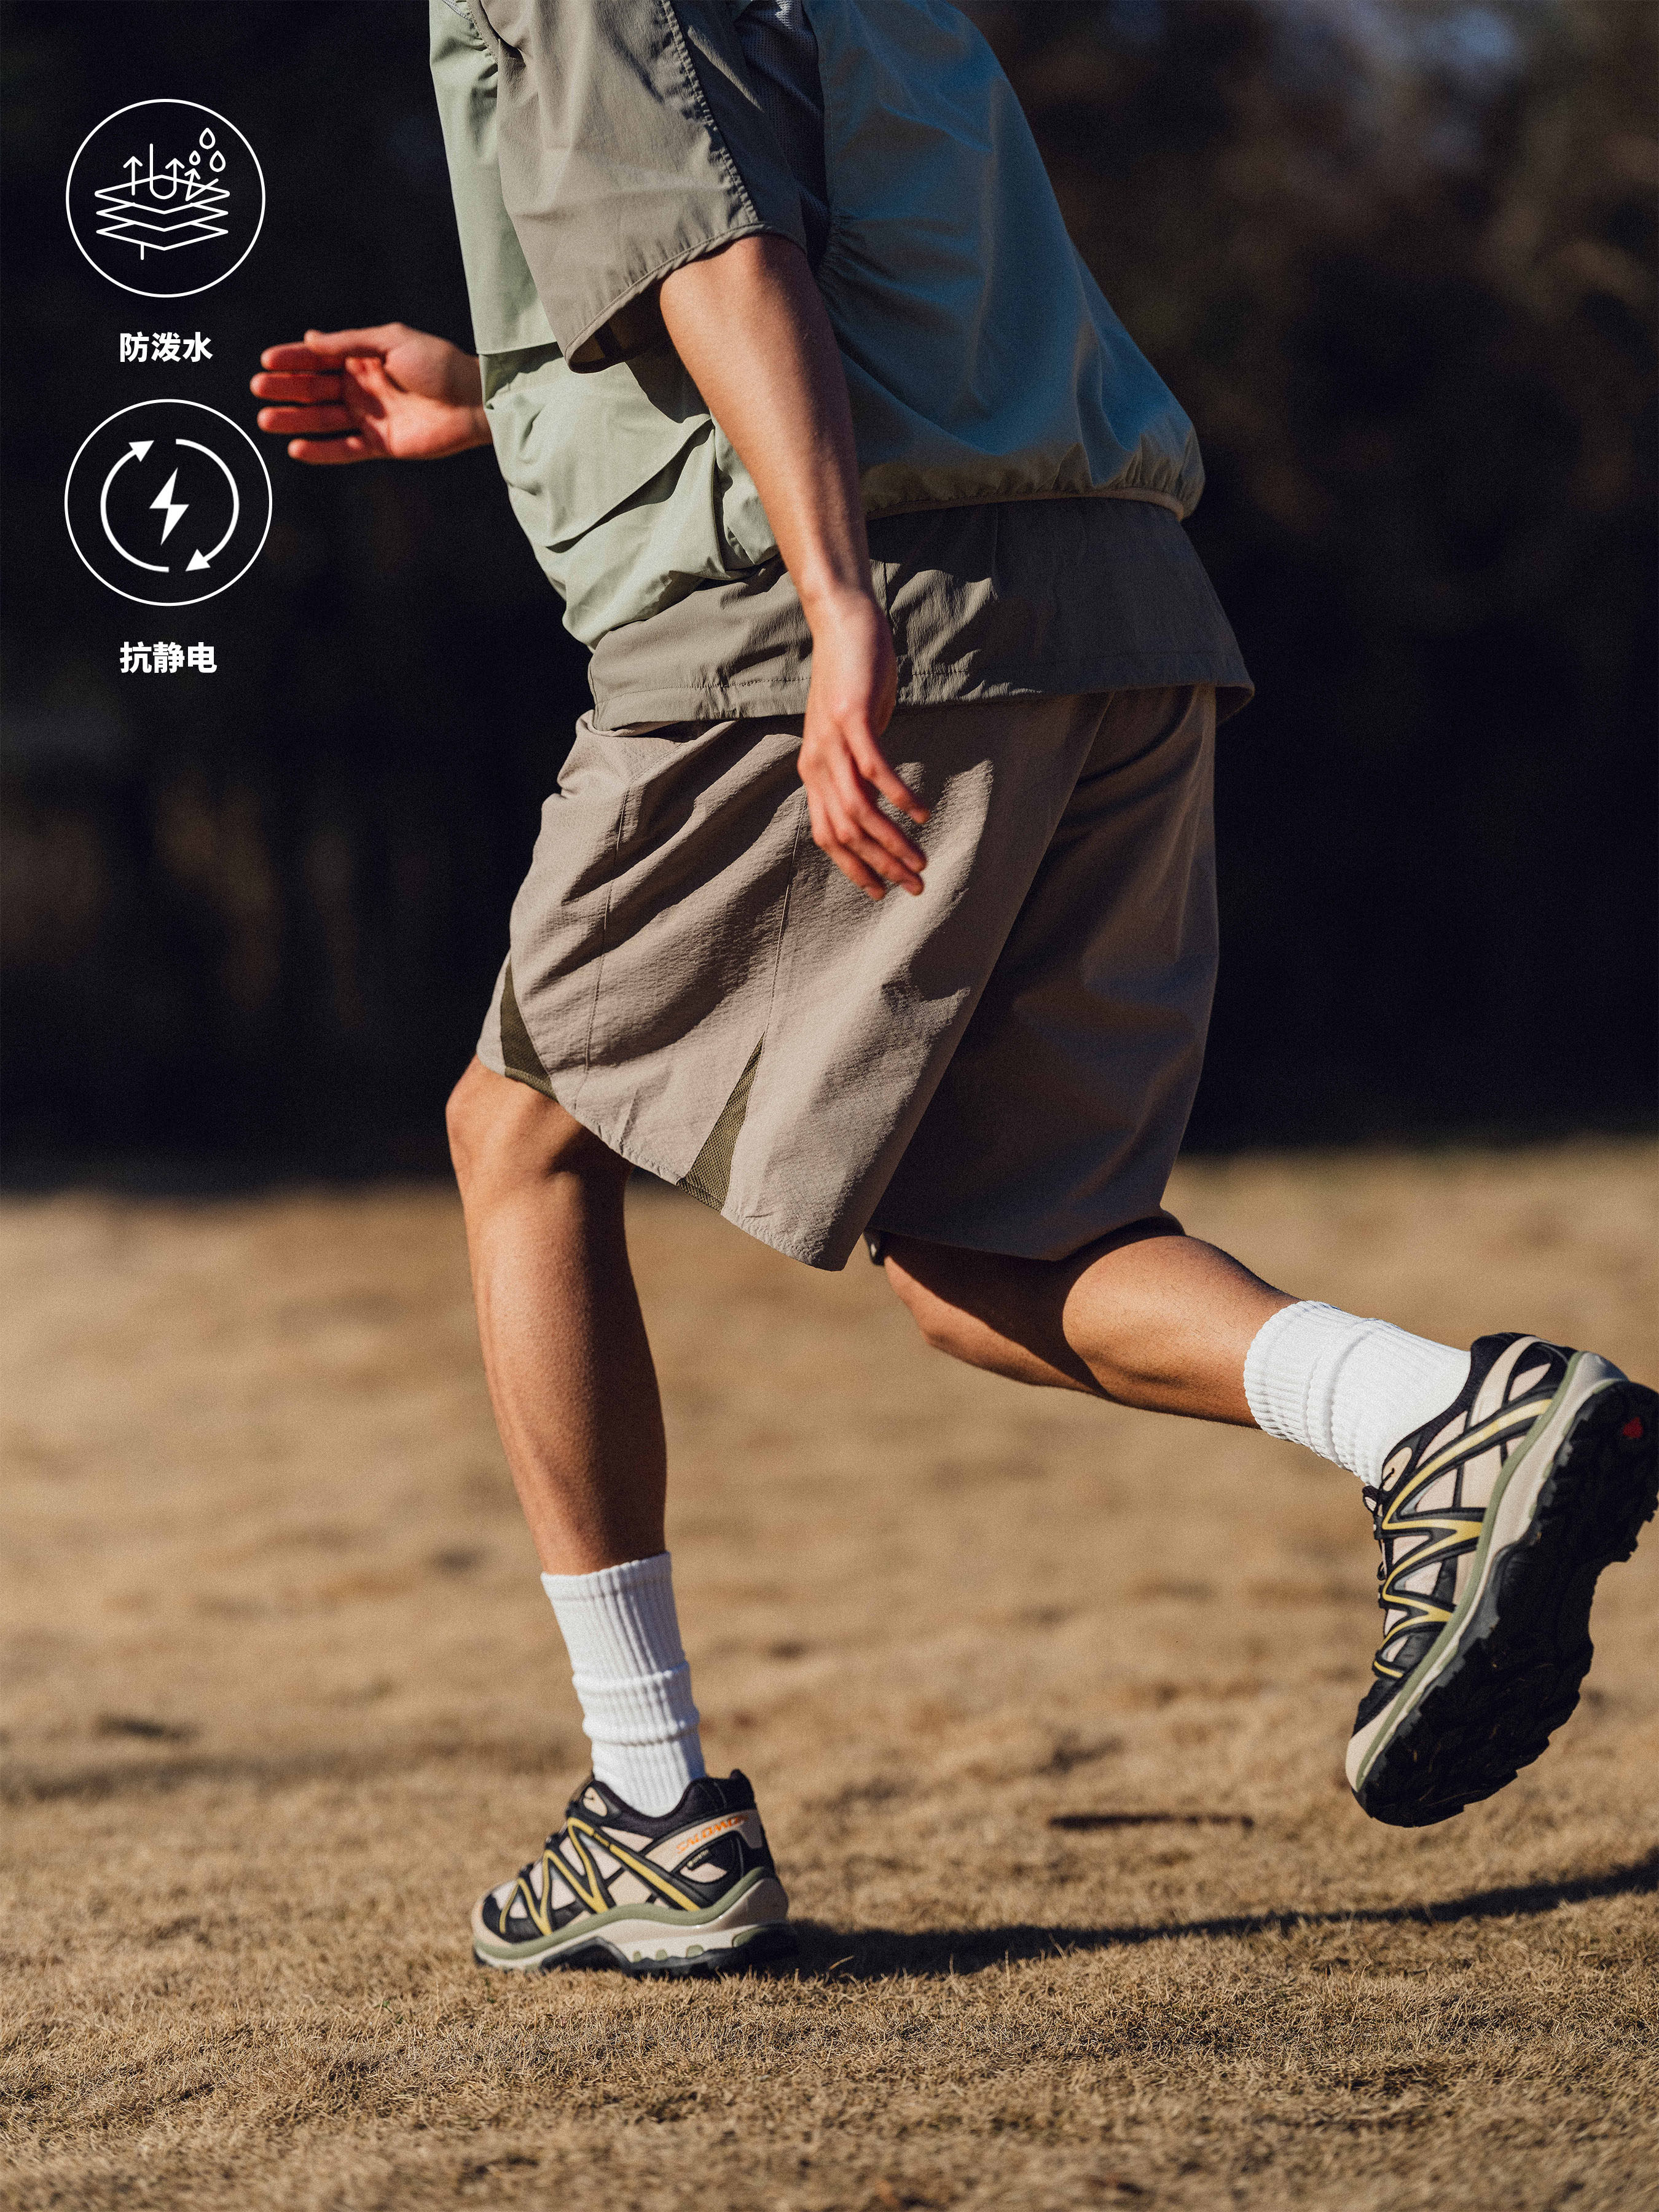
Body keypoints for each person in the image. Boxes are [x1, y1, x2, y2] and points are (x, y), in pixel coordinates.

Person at [253, 0, 1657, 1979]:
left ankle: (650, 1810)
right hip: (1112, 598)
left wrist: (836, 603)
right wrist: (514, 392)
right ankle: (1448, 1414)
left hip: (828, 614)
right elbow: (851, 263)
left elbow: (720, 253)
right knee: (1004, 1244)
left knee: (521, 1136)